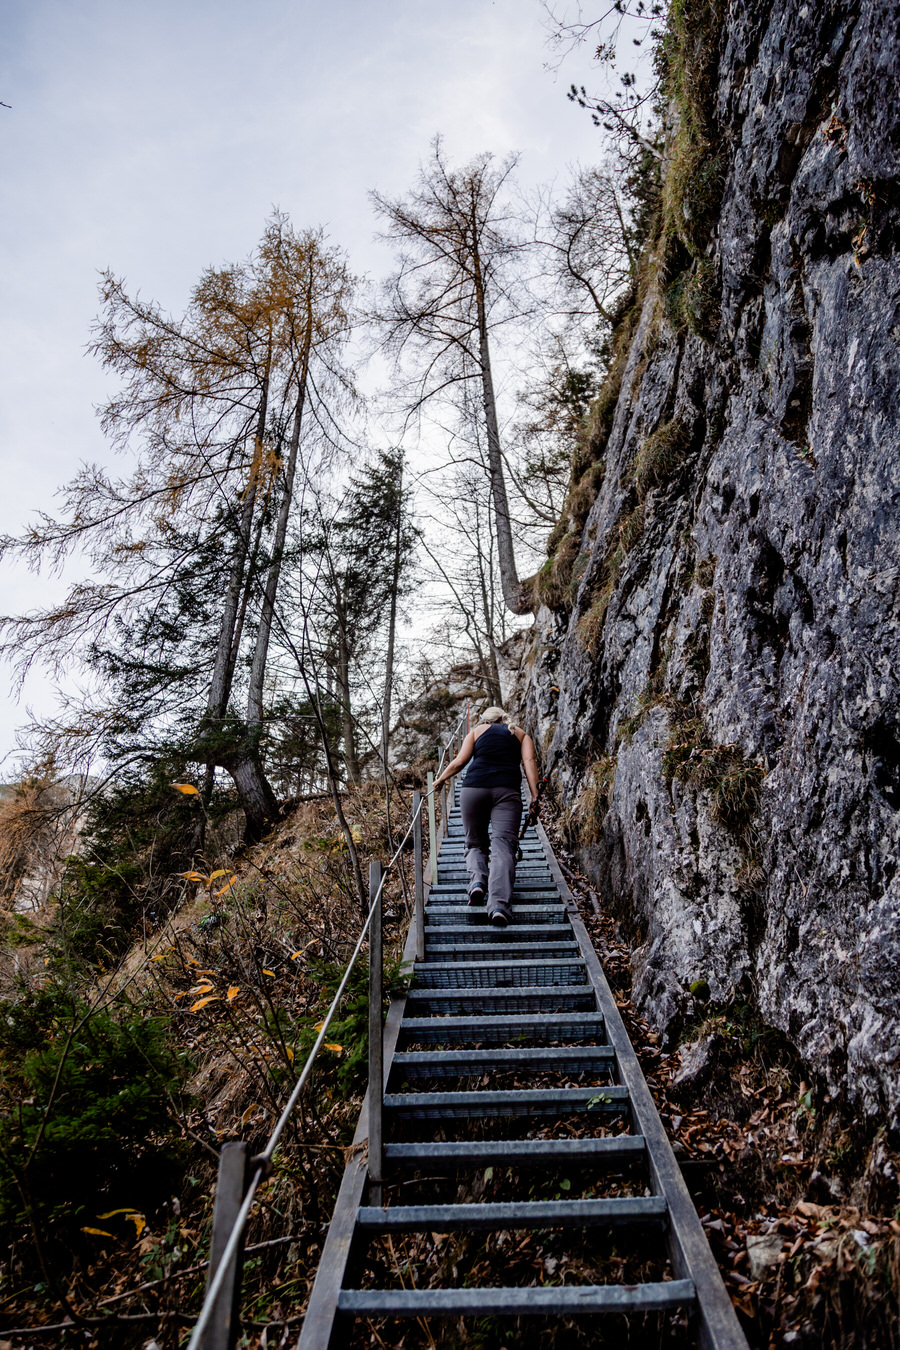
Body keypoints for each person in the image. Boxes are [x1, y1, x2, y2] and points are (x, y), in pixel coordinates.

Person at [432, 706, 539, 928]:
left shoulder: (476, 732)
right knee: (503, 846)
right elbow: (528, 763)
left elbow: (459, 762)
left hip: (474, 790)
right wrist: (535, 797)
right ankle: (499, 905)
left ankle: (478, 882)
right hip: (507, 792)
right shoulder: (520, 734)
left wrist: (440, 779)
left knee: (474, 842)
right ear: (504, 718)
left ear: (485, 720)